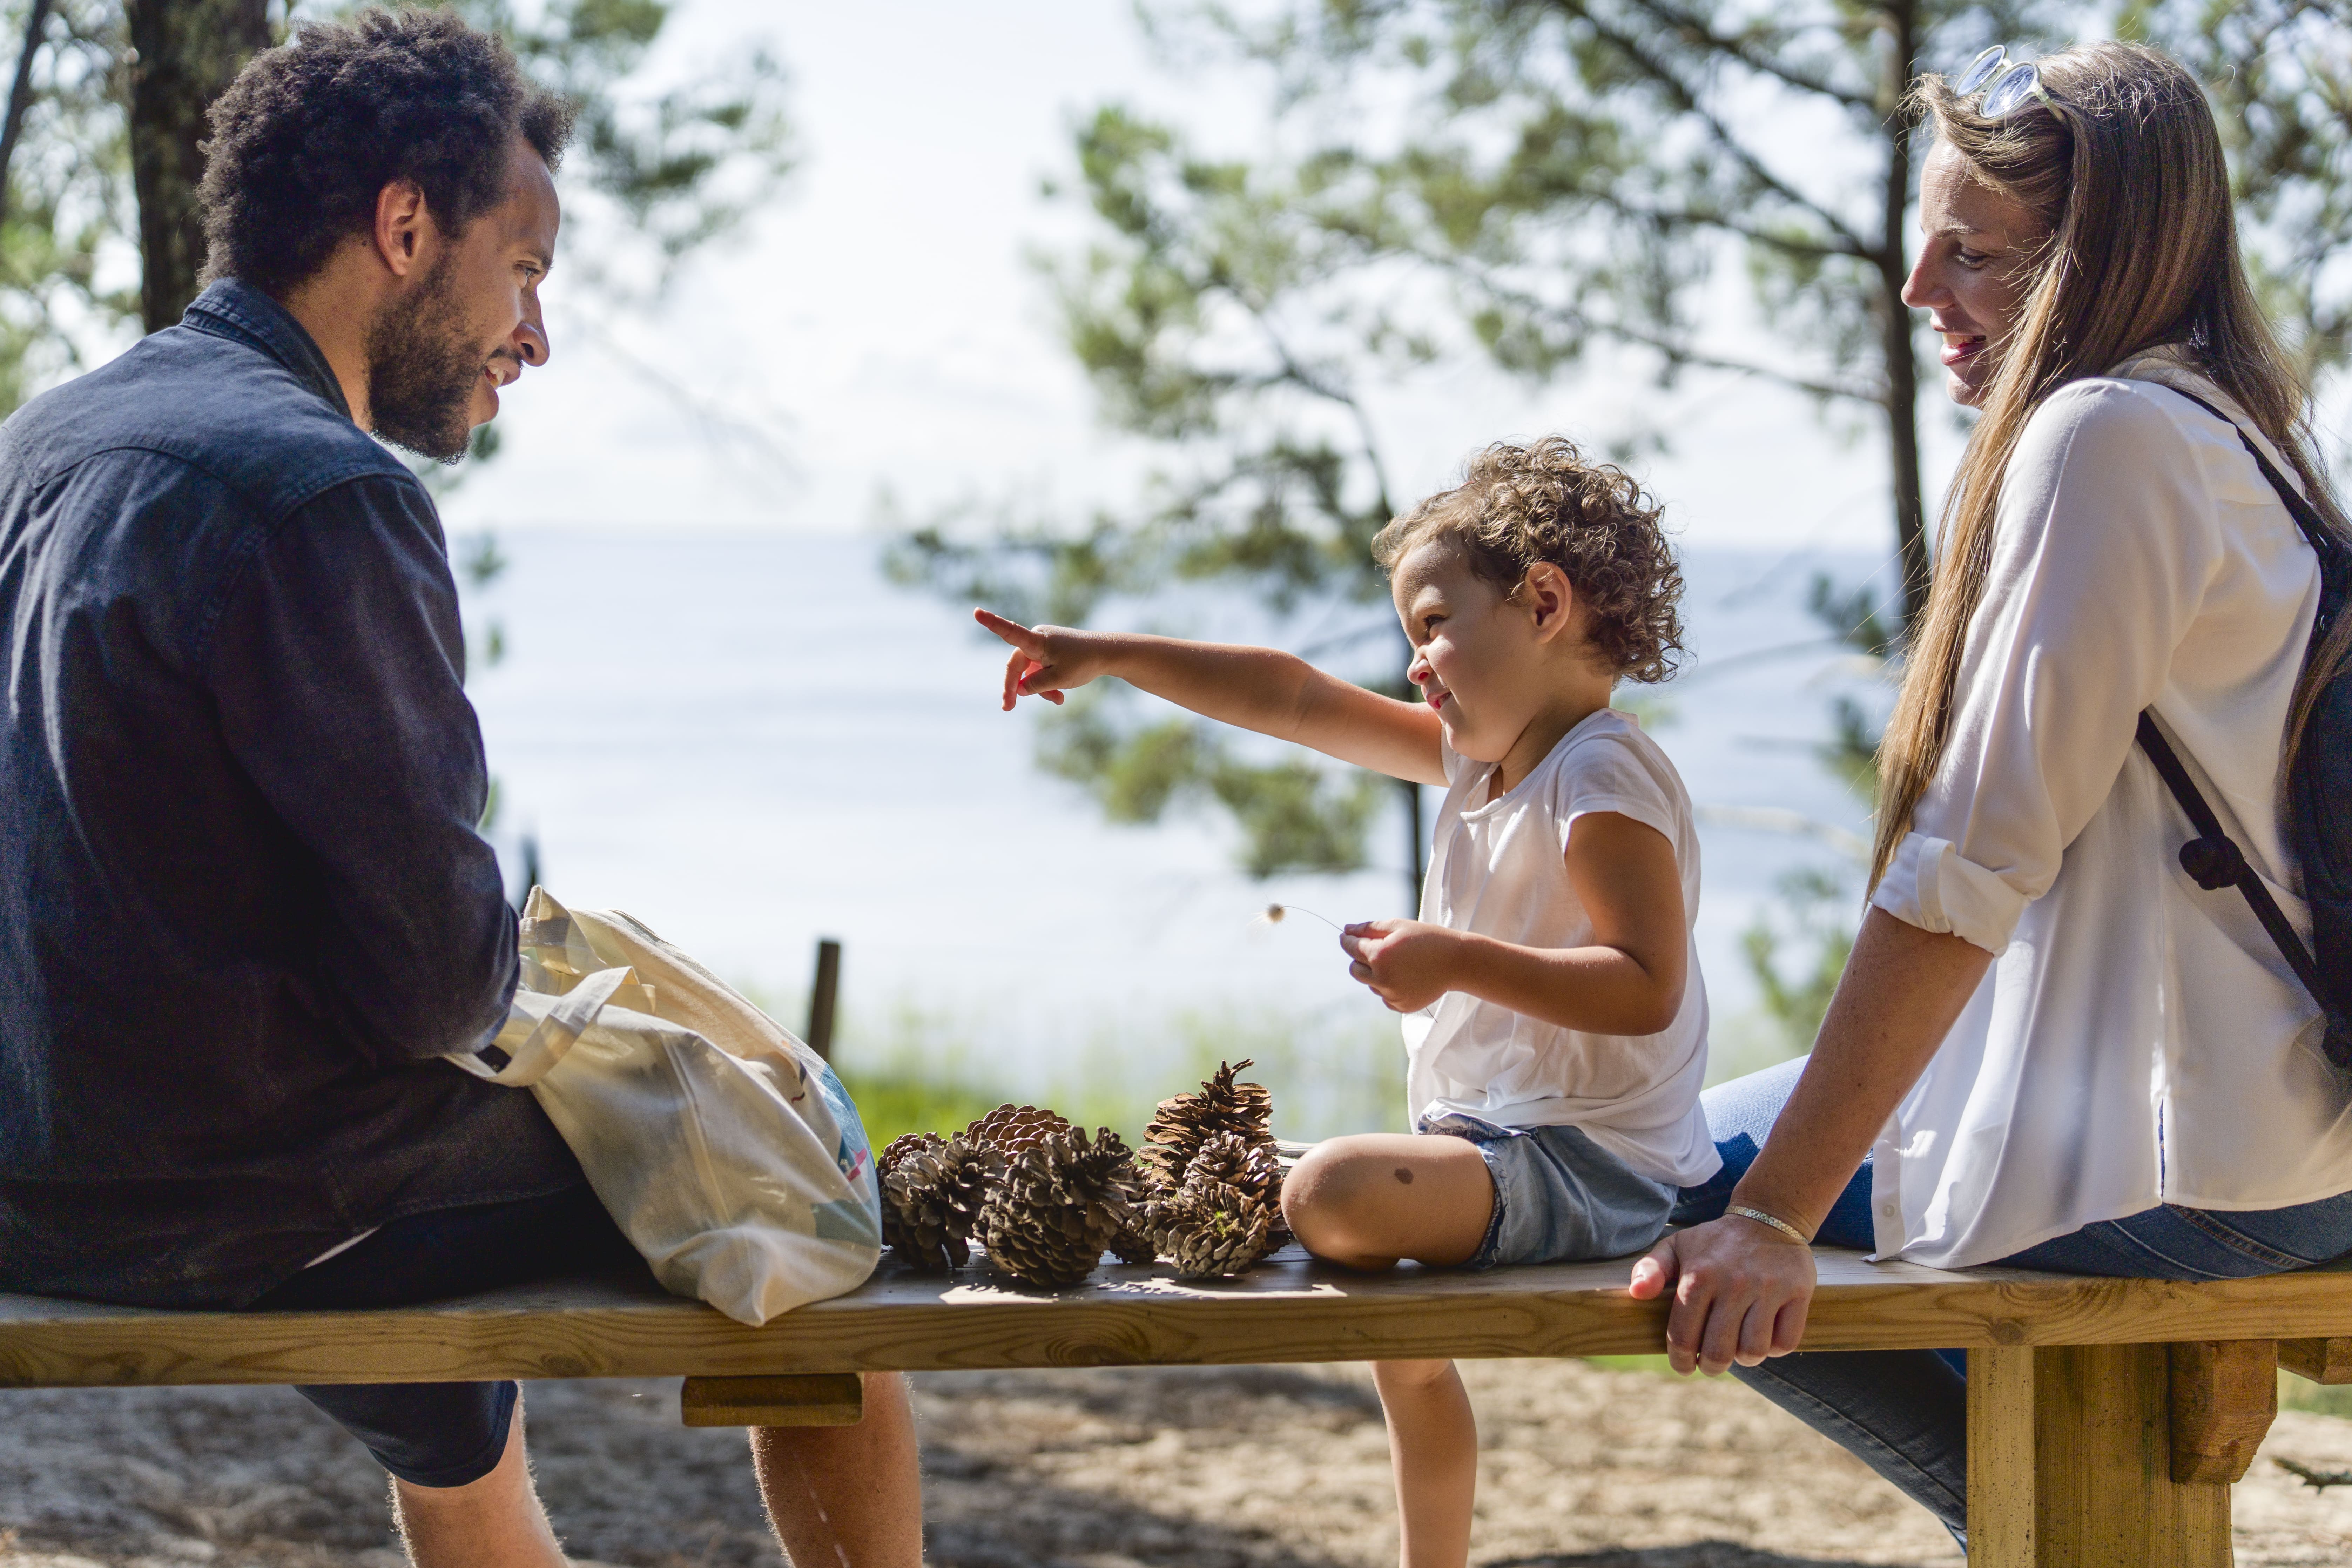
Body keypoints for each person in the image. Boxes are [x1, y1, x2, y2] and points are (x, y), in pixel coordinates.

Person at [0, 13, 918, 1567]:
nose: (534, 335)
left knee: (456, 1330)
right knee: (795, 1171)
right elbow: (435, 985)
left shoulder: (40, 441)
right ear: (407, 227)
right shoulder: (326, 490)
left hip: (32, 1174)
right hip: (243, 1195)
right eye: (527, 269)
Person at [1636, 39, 2352, 1542]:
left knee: (1662, 1182)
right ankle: (2047, 1518)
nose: (1919, 290)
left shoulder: (2109, 438)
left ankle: (2034, 1524)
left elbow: (1972, 858)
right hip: (2304, 1132)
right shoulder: (2247, 435)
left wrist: (1770, 1217)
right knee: (1707, 1154)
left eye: (1972, 253)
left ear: (2097, 258)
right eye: (1927, 244)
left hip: (2203, 1167)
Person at [978, 436, 1720, 1568]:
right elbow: (1293, 697)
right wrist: (1112, 656)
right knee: (1378, 1319)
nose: (1415, 665)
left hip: (1599, 1170)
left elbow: (1646, 988)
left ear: (1543, 604)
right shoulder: (1484, 763)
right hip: (1494, 1144)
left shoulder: (1598, 774)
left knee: (1330, 1191)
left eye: (1433, 625)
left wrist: (1453, 960)